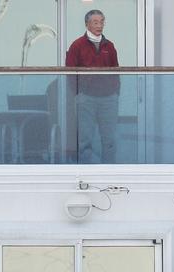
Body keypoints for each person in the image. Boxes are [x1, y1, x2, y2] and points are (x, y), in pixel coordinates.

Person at [65, 9, 120, 163]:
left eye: (102, 21)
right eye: (95, 22)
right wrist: (78, 93)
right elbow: (70, 72)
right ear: (87, 24)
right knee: (84, 139)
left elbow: (116, 71)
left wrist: (115, 93)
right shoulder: (77, 45)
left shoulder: (109, 46)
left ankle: (109, 172)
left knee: (109, 140)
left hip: (108, 99)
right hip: (86, 99)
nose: (99, 25)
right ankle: (85, 173)